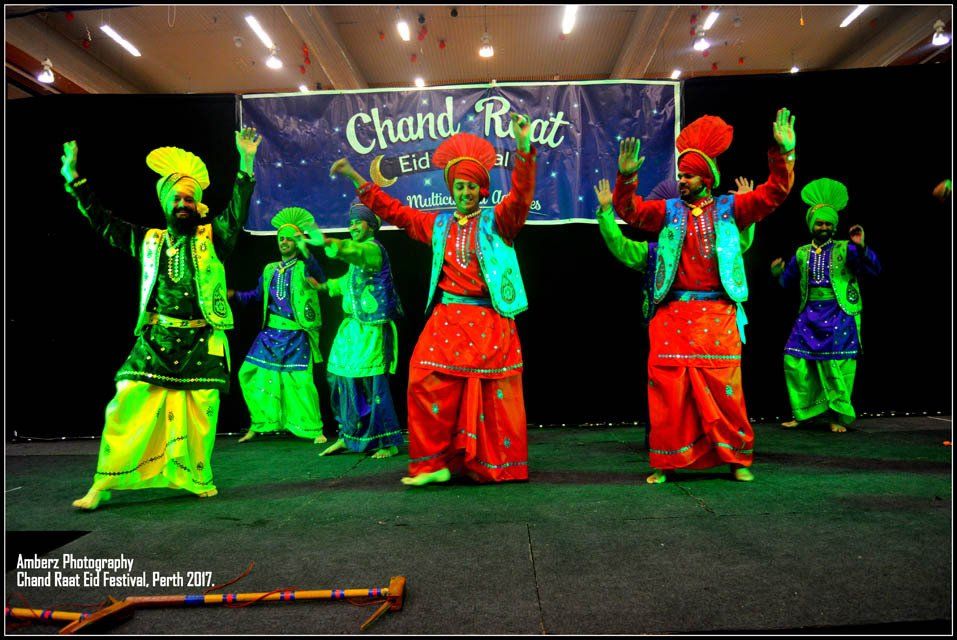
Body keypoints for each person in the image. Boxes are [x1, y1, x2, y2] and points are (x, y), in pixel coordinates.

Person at [329, 113, 536, 486]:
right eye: (459, 186)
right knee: (423, 380)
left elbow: (521, 197)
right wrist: (356, 177)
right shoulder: (437, 224)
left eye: (471, 187)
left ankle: (490, 463)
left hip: (489, 319)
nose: (465, 192)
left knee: (489, 393)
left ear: (482, 190)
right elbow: (396, 212)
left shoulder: (498, 222)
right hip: (446, 318)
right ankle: (433, 463)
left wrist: (523, 149)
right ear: (451, 189)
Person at [64, 128, 262, 510]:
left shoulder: (213, 236)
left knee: (198, 413)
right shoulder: (149, 239)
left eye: (190, 198)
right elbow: (105, 223)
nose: (184, 203)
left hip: (201, 339)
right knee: (125, 405)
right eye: (177, 197)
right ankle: (104, 481)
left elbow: (237, 210)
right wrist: (76, 181)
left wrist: (246, 162)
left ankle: (195, 477)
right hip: (155, 339)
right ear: (165, 202)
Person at [612, 108, 796, 483]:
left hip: (718, 314)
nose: (681, 180)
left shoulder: (732, 209)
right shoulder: (666, 212)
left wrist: (783, 156)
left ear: (707, 178)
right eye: (679, 174)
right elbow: (628, 212)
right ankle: (666, 461)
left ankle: (736, 459)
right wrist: (627, 177)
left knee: (725, 390)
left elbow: (774, 194)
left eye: (688, 175)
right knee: (669, 392)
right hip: (673, 314)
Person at [771, 178, 880, 433]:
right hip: (809, 314)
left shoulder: (846, 249)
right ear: (811, 224)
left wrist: (862, 247)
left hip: (840, 313)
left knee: (838, 365)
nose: (824, 227)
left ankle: (837, 416)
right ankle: (803, 413)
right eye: (820, 223)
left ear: (834, 226)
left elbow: (874, 269)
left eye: (829, 224)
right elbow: (788, 282)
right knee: (795, 361)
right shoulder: (801, 253)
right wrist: (778, 273)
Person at [229, 207, 328, 445]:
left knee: (300, 382)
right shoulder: (270, 269)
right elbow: (256, 296)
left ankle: (313, 428)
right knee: (249, 373)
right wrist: (233, 295)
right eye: (281, 238)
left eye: (289, 238)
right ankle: (261, 423)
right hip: (270, 334)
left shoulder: (304, 267)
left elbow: (320, 278)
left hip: (296, 333)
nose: (284, 242)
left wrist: (307, 249)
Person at [314, 202, 405, 459]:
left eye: (358, 221)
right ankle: (349, 435)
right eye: (351, 221)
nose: (353, 226)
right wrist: (322, 286)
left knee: (372, 384)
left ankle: (387, 441)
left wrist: (333, 245)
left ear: (371, 225)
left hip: (373, 328)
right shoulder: (356, 260)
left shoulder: (374, 250)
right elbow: (346, 282)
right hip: (352, 328)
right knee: (340, 379)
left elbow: (356, 252)